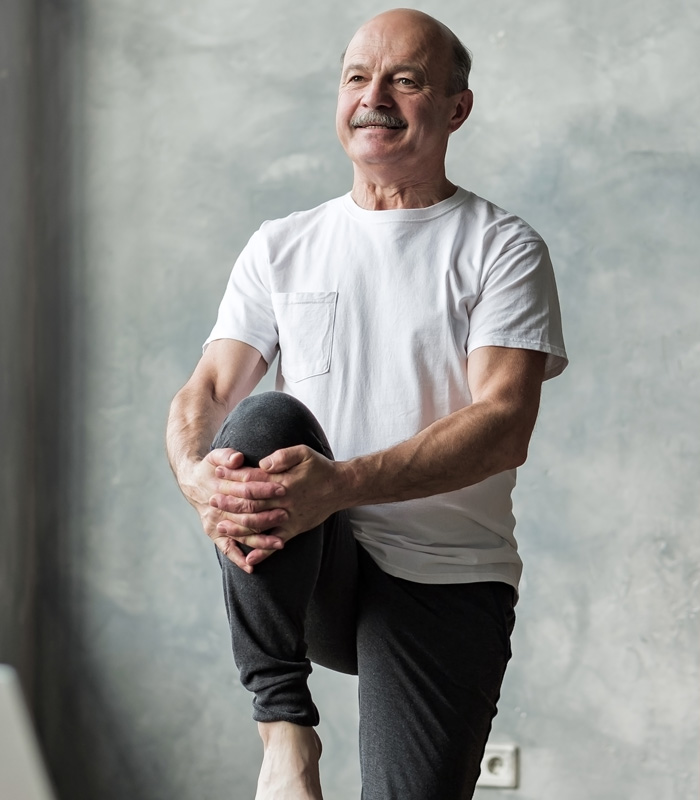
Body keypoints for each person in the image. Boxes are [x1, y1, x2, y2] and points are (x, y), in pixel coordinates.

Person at [166, 8, 567, 800]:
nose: (373, 96)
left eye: (405, 79)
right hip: (317, 561)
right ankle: (283, 730)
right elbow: (210, 391)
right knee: (260, 424)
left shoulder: (501, 247)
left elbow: (502, 425)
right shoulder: (282, 244)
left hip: (448, 577)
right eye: (357, 77)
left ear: (457, 108)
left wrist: (340, 483)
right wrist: (193, 476)